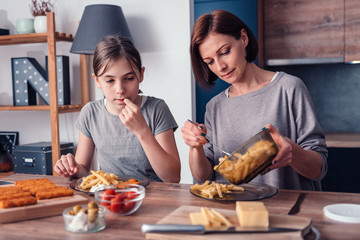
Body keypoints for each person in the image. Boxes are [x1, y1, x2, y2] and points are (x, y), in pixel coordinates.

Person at [181, 10, 328, 190]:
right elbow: (204, 177)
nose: (220, 67)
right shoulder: (214, 106)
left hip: (286, 212)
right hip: (233, 213)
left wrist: (291, 150)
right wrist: (194, 147)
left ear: (243, 38)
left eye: (225, 52)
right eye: (210, 62)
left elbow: (318, 169)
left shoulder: (289, 88)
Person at [54, 36, 181, 183]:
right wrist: (72, 167)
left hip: (152, 196)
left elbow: (173, 177)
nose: (120, 89)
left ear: (141, 75)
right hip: (110, 198)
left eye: (129, 78)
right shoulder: (90, 113)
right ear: (97, 80)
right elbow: (82, 170)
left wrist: (142, 131)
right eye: (110, 80)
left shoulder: (157, 109)